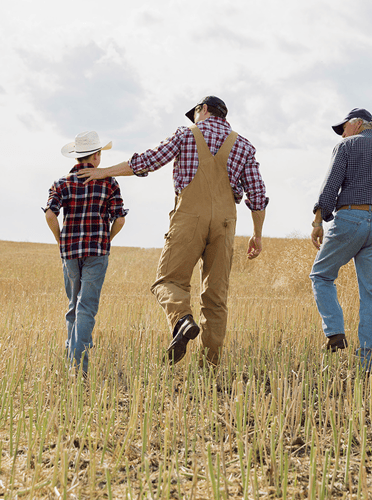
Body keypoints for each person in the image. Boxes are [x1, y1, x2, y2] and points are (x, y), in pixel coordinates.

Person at [78, 96, 268, 366]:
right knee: (216, 297)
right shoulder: (244, 146)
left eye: (196, 114)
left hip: (189, 218)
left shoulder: (186, 135)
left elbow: (146, 161)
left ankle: (182, 320)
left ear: (203, 110)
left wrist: (104, 172)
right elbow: (258, 196)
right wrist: (257, 234)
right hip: (226, 224)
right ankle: (209, 368)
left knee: (167, 282)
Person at [309, 108, 372, 371]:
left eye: (343, 128)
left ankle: (334, 332)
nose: (342, 134)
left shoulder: (346, 147)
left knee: (321, 275)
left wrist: (319, 220)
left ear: (356, 125)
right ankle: (368, 363)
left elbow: (331, 186)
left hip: (351, 218)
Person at [43, 131, 128, 374]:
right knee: (86, 307)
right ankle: (78, 367)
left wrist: (60, 239)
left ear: (78, 157)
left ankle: (72, 357)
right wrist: (107, 240)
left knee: (73, 306)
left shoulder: (61, 183)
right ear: (97, 157)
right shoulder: (109, 182)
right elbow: (120, 220)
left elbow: (50, 214)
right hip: (97, 250)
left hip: (69, 251)